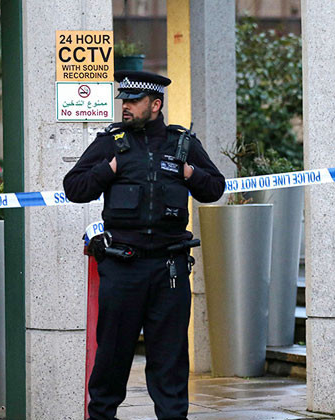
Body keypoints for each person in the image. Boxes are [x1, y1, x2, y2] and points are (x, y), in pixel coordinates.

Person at [64, 70, 225, 420]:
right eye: (124, 100)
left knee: (169, 359)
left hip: (169, 270)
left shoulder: (182, 144)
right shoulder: (112, 142)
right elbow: (74, 188)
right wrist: (108, 170)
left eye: (134, 101)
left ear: (155, 104)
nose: (126, 106)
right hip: (123, 267)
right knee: (112, 356)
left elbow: (215, 188)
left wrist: (190, 174)